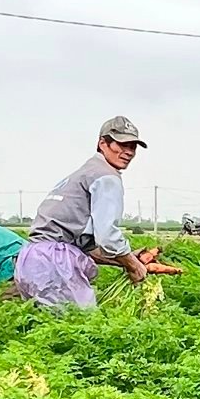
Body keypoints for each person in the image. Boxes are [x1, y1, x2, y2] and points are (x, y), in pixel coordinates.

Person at [16, 116, 169, 308]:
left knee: (47, 325)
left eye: (132, 147)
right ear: (102, 143)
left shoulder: (85, 172)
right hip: (56, 262)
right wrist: (133, 264)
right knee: (79, 327)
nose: (128, 152)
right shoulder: (106, 176)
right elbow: (107, 235)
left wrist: (125, 259)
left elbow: (84, 245)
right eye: (122, 145)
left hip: (31, 259)